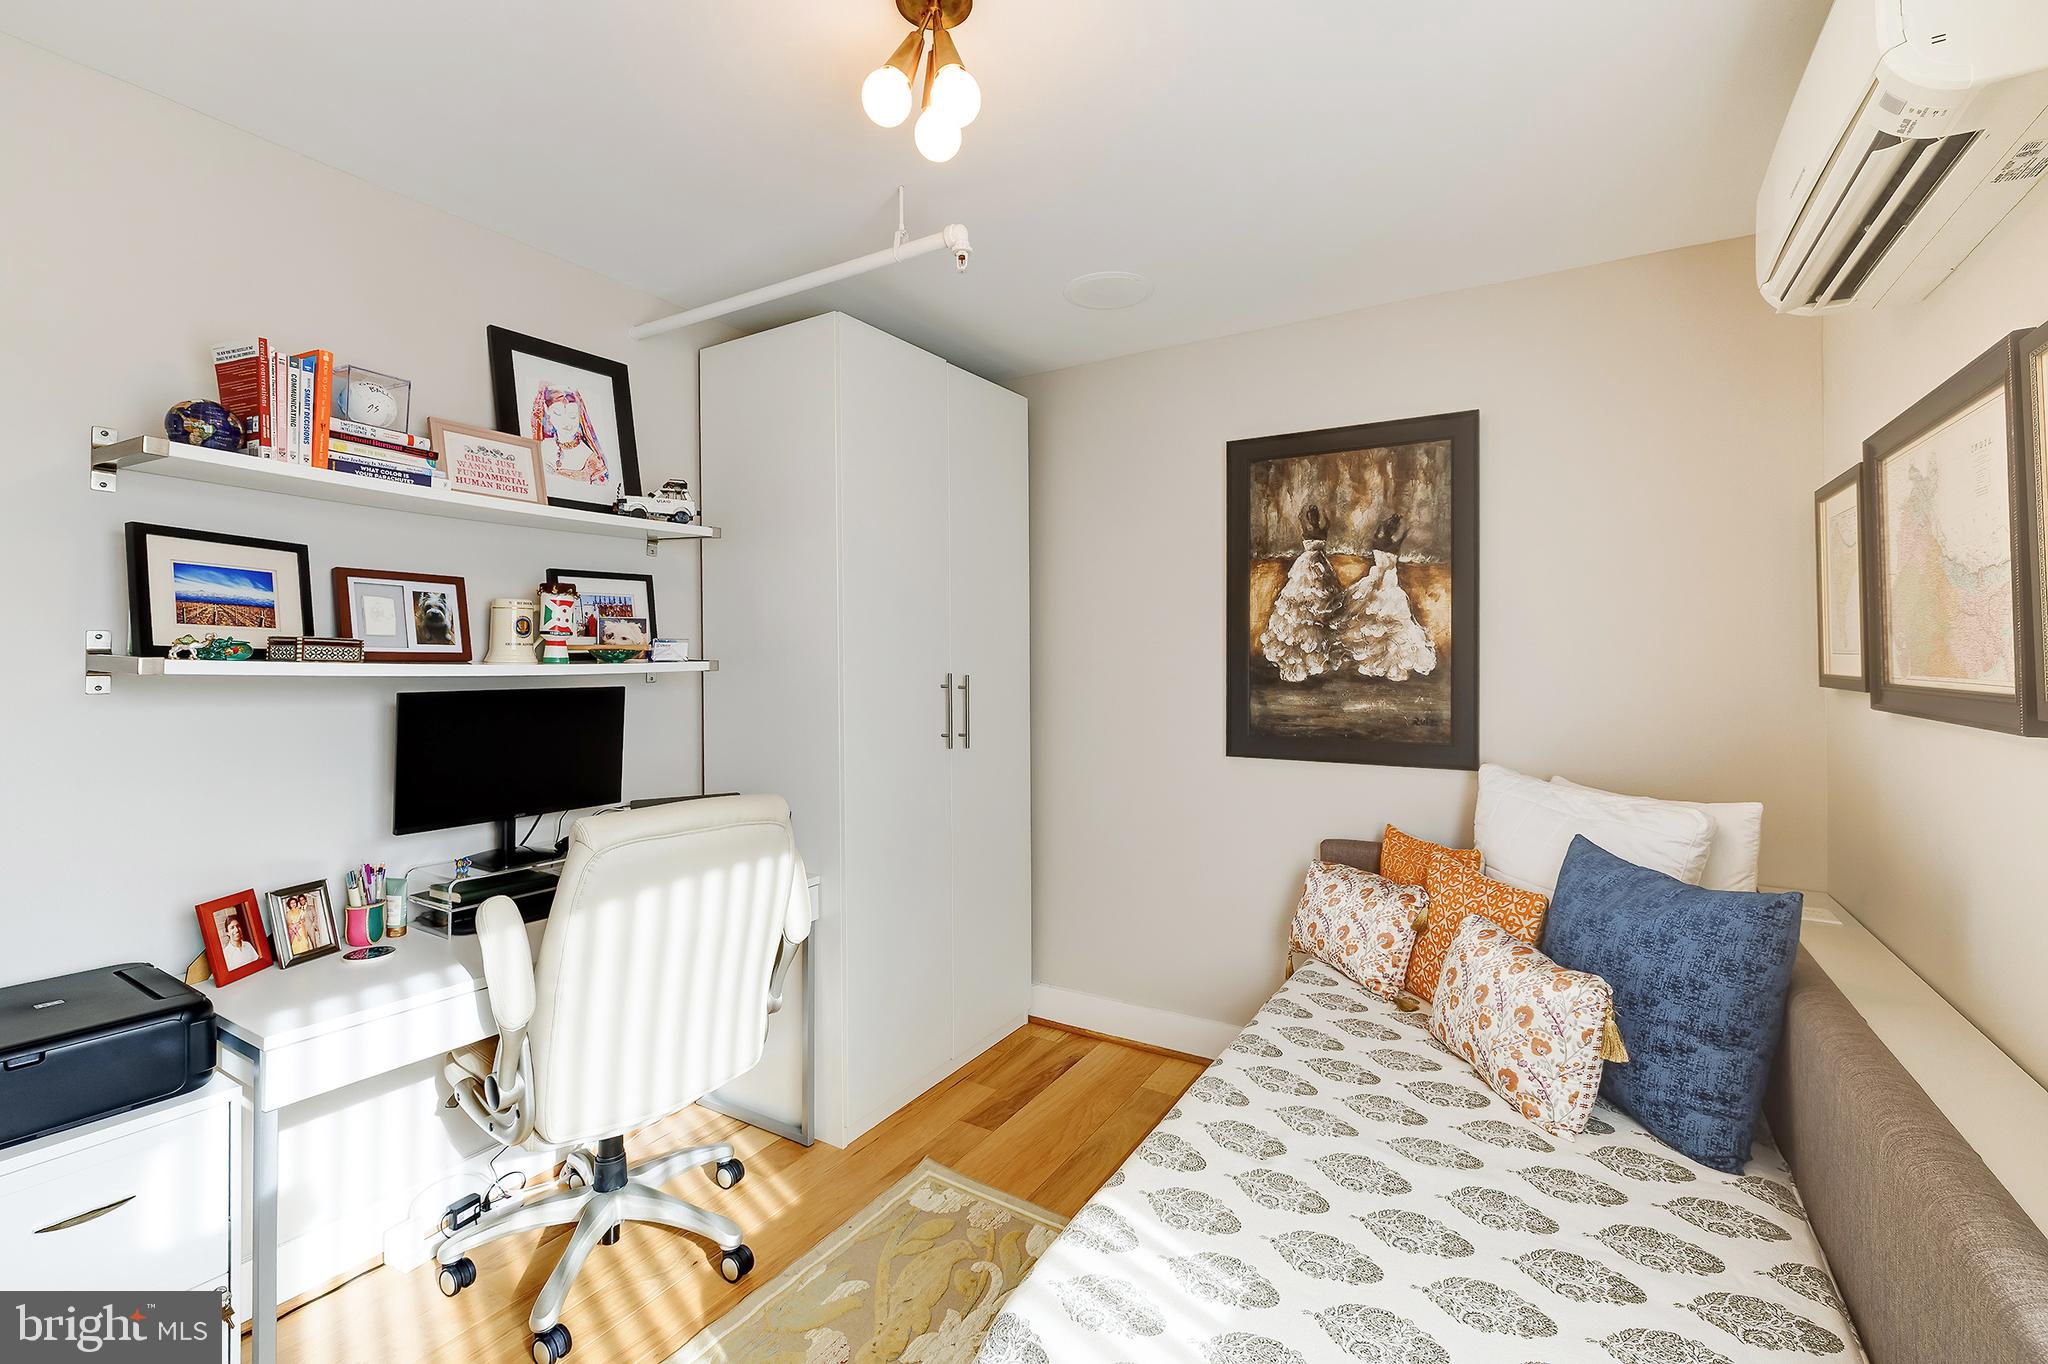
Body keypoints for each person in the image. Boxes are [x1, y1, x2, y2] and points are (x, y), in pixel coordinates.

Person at [1329, 511, 1437, 682]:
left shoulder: (1377, 542)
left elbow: (1381, 533)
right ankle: (1380, 661)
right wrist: (1404, 527)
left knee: (1371, 618)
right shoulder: (1394, 545)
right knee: (1389, 622)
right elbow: (1401, 535)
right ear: (1393, 531)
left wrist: (1390, 524)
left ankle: (1371, 659)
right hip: (1387, 583)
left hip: (1377, 580)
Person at [1260, 505, 1344, 682]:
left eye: (1314, 516)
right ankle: (1301, 654)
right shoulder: (1309, 530)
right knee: (1302, 603)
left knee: (1320, 601)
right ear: (1309, 518)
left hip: (1321, 567)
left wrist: (1325, 515)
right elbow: (1304, 523)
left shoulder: (1320, 529)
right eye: (1311, 516)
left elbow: (1326, 523)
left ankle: (1319, 654)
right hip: (1306, 566)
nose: (1313, 518)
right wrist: (1306, 518)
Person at [530, 384, 608, 485]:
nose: (566, 422)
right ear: (547, 412)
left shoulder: (593, 461)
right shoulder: (541, 447)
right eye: (557, 413)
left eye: (572, 416)